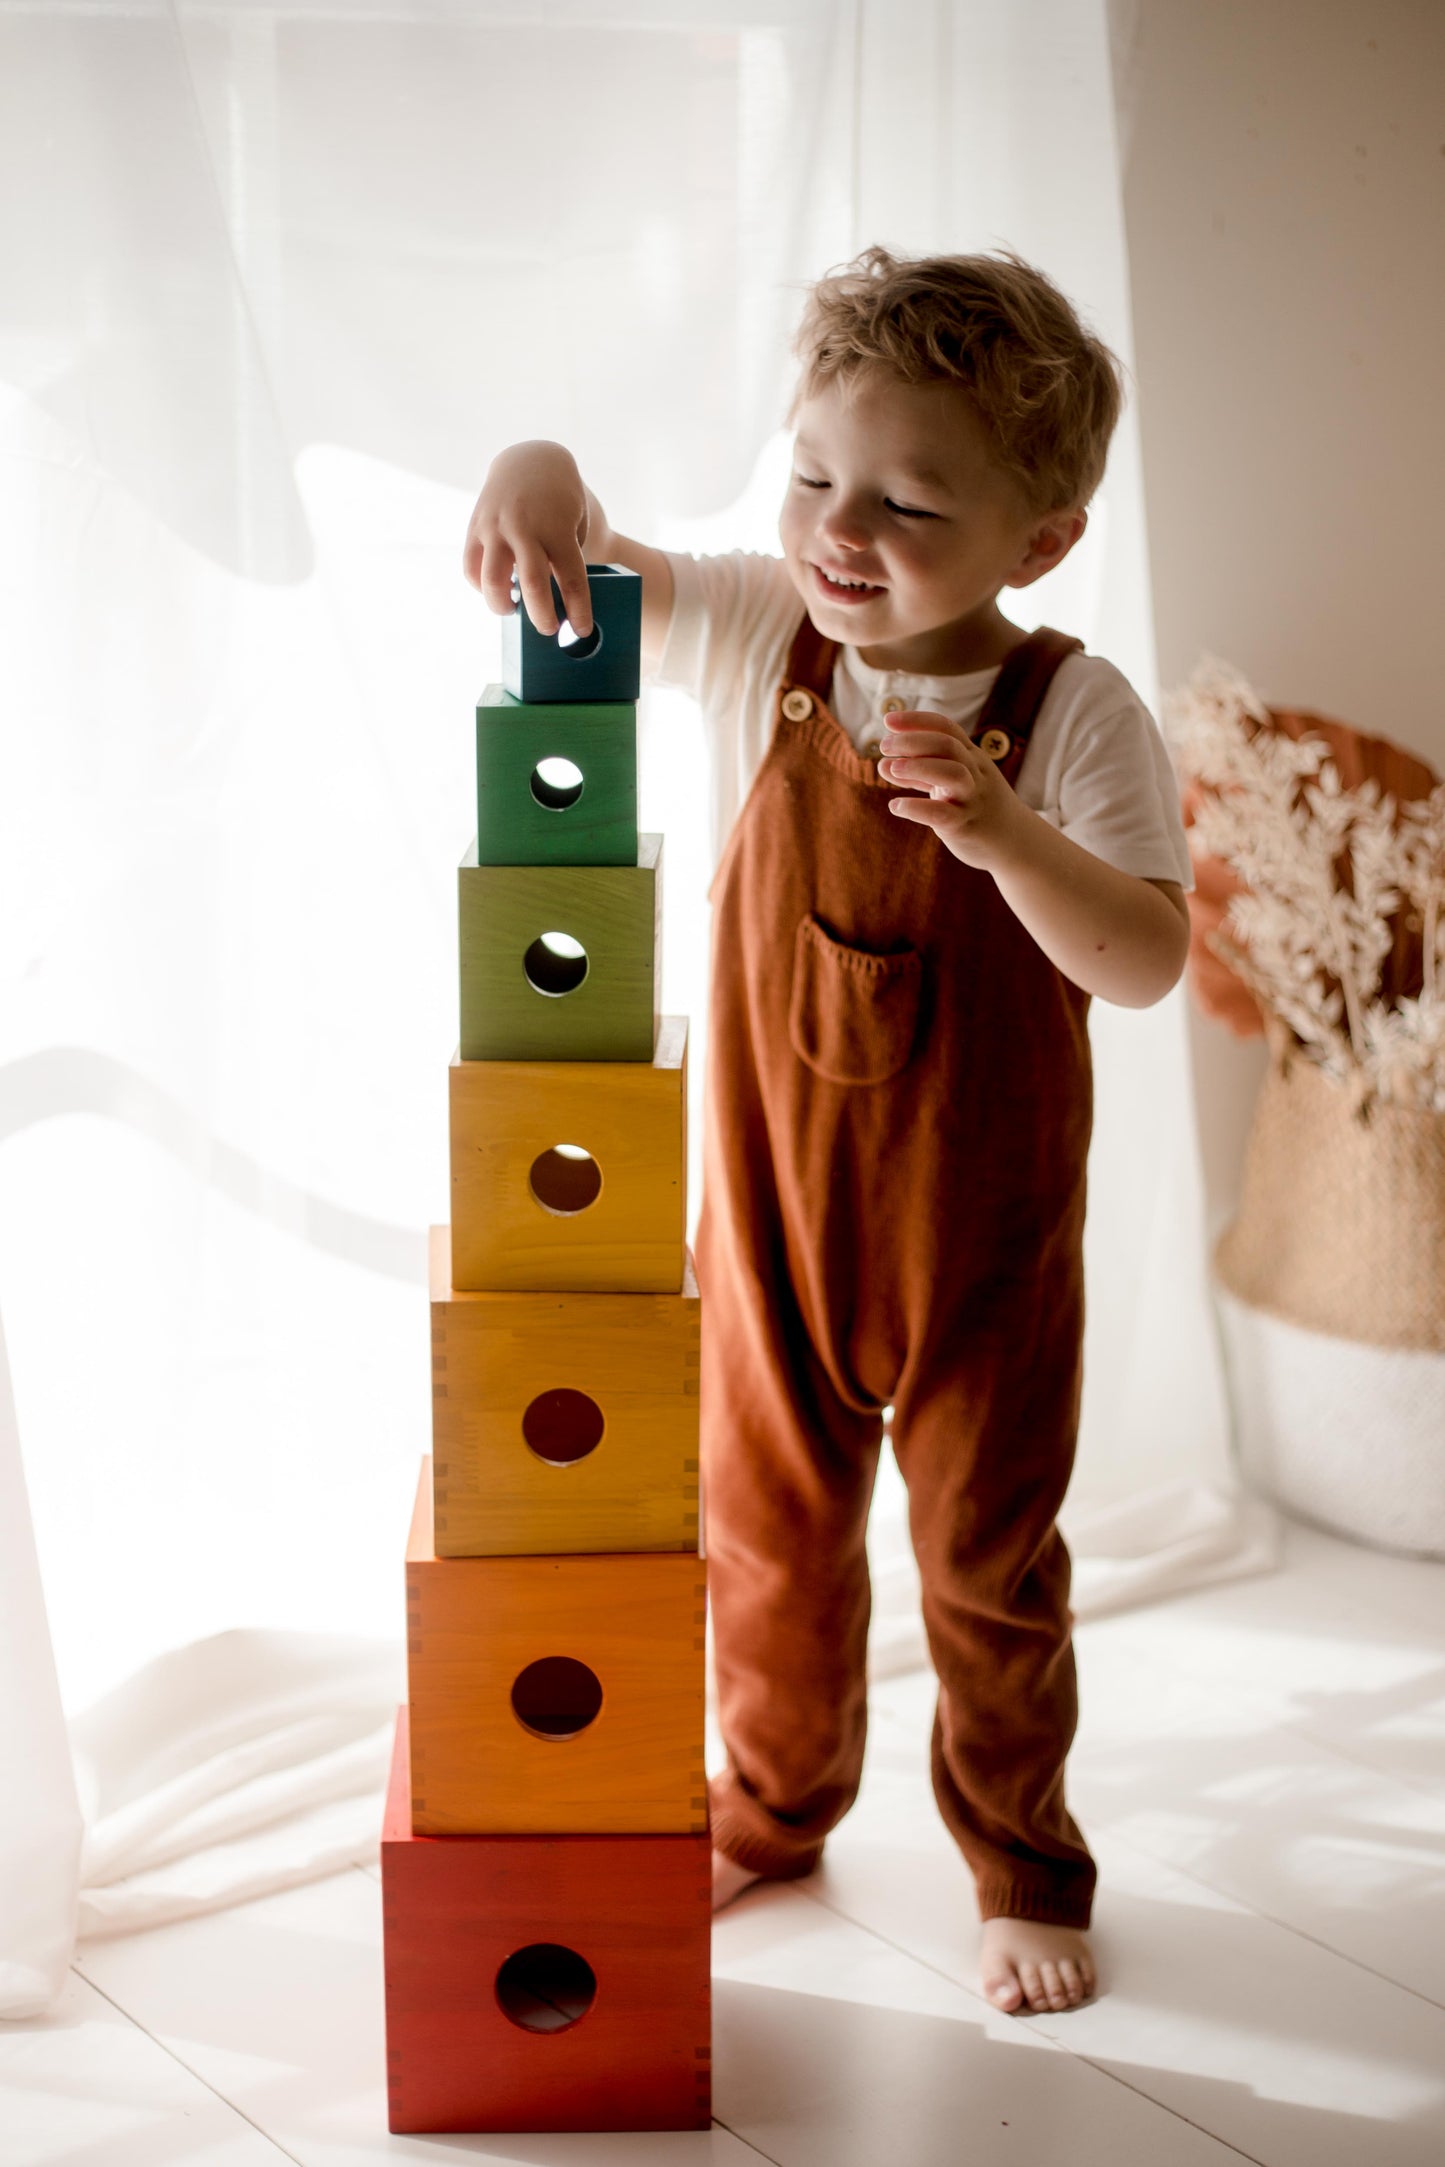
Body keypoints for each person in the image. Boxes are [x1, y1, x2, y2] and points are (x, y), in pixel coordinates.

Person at [462, 245, 1192, 2019]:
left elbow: (1149, 959)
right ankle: (774, 1807)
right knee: (767, 1546)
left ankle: (1023, 1859)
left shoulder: (1069, 713)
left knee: (984, 1565)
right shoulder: (757, 637)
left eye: (908, 501)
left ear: (1038, 540)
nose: (838, 527)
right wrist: (537, 480)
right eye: (811, 474)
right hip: (776, 1224)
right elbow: (592, 557)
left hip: (985, 1251)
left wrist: (1009, 836)